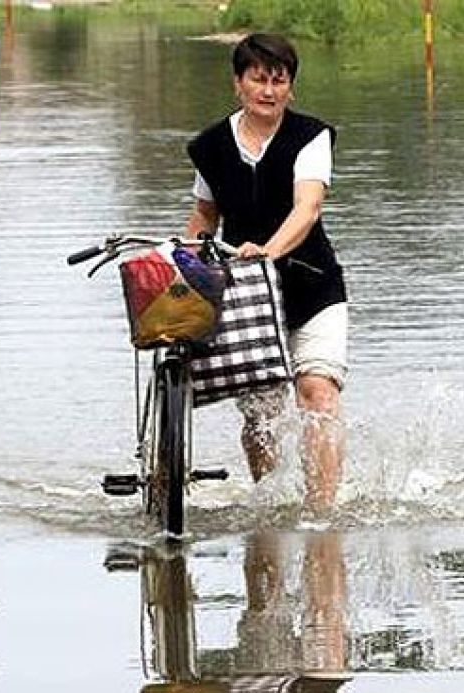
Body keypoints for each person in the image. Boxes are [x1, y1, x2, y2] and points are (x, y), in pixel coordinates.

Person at [185, 33, 348, 516]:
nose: (269, 90)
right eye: (259, 78)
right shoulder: (211, 147)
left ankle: (322, 513)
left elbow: (309, 206)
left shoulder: (311, 137)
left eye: (279, 81)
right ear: (239, 83)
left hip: (312, 286)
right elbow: (203, 218)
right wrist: (185, 264)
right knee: (262, 414)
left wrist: (269, 252)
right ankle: (271, 506)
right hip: (247, 299)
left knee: (317, 392)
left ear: (290, 89)